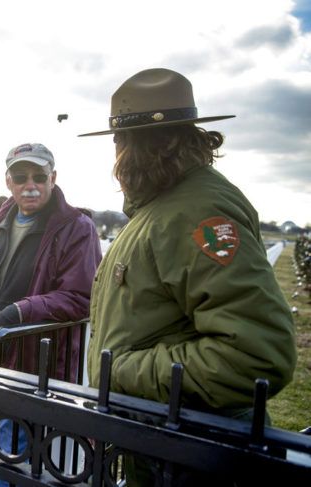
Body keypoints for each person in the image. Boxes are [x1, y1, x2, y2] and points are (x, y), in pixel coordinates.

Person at [79, 68, 297, 485]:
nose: (117, 155)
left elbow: (256, 353)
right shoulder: (164, 207)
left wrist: (120, 372)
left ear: (146, 145)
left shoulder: (193, 212)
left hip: (195, 455)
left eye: (119, 141)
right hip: (168, 445)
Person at [0, 143, 101, 486]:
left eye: (39, 176)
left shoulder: (76, 227)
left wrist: (20, 311)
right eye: (21, 177)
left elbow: (80, 297)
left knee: (9, 457)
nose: (30, 184)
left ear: (53, 178)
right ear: (8, 181)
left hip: (29, 365)